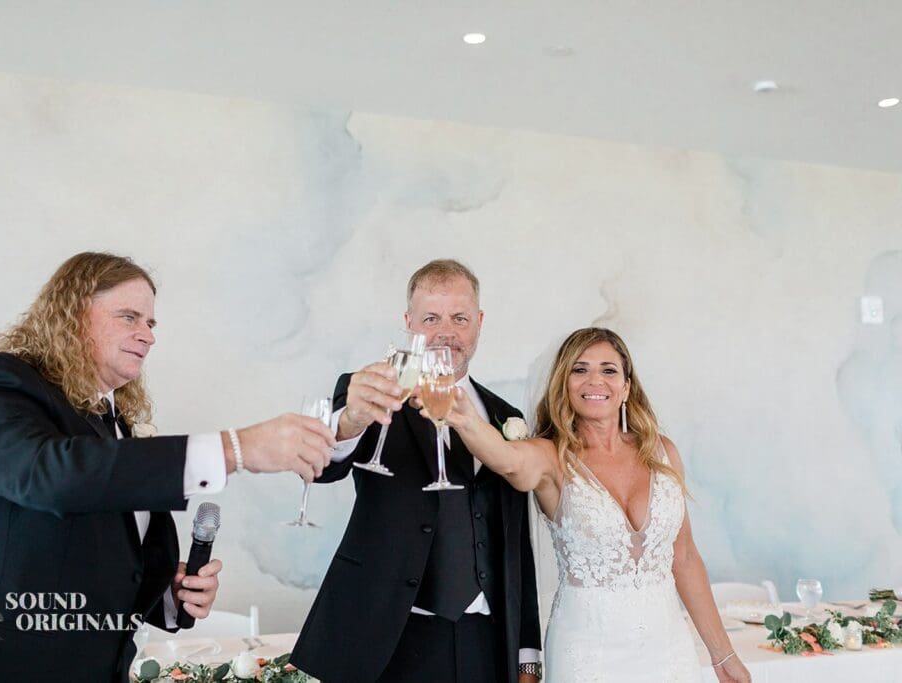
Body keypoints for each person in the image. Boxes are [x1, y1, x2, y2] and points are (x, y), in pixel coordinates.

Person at [0, 252, 334, 683]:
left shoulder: (113, 427)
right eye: (129, 317)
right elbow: (48, 476)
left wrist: (168, 597)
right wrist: (237, 448)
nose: (148, 334)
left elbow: (93, 550)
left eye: (152, 322)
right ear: (71, 315)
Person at [420, 327, 752, 682]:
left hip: (669, 652)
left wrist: (722, 653)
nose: (595, 380)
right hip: (588, 654)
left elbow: (684, 557)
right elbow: (507, 459)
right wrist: (463, 417)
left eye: (609, 370)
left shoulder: (663, 452)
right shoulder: (551, 457)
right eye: (580, 370)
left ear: (626, 387)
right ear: (565, 383)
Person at [292, 259, 543, 683]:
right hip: (388, 639)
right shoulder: (369, 391)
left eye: (460, 318)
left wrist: (528, 658)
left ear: (479, 322)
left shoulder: (505, 416)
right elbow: (323, 466)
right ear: (409, 323)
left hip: (487, 641)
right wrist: (351, 418)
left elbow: (517, 546)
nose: (447, 331)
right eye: (431, 318)